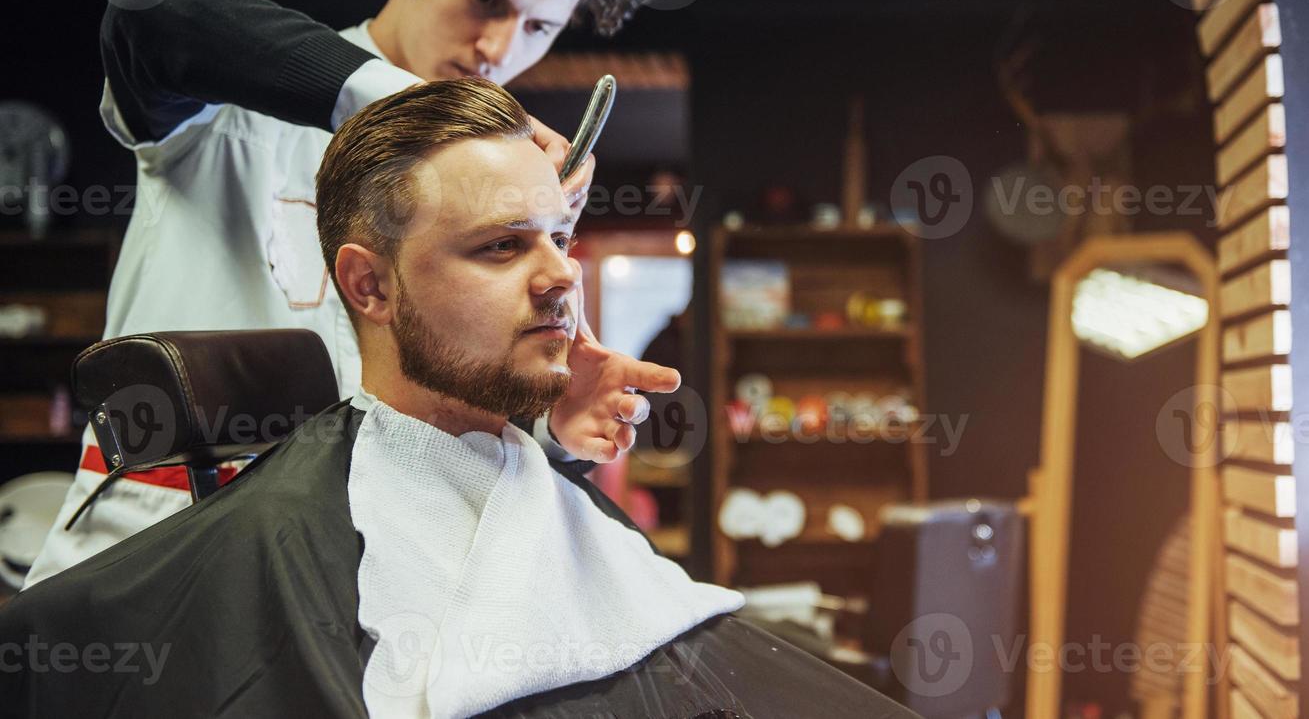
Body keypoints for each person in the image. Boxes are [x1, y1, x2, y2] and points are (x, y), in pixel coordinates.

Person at [0, 78, 920, 719]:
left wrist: (550, 437)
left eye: (558, 235)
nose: (562, 273)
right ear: (369, 287)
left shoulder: (519, 466)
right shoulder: (292, 545)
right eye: (500, 246)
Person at [25, 0, 675, 588]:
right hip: (148, 568)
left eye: (539, 24)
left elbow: (441, 388)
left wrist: (553, 420)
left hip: (330, 590)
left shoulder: (495, 190)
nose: (501, 50)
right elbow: (150, 7)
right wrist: (396, 103)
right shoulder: (226, 116)